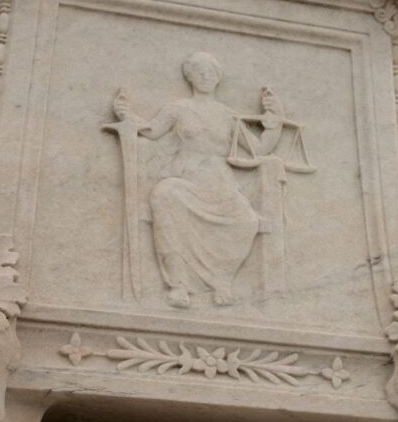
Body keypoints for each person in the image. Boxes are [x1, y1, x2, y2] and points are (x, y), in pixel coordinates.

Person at [112, 52, 282, 308]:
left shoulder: (228, 115)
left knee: (246, 220)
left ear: (218, 78)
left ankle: (222, 280)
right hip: (186, 177)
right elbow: (151, 131)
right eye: (200, 71)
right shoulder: (177, 109)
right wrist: (126, 115)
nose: (205, 76)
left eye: (211, 72)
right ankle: (178, 285)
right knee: (164, 195)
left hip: (220, 184)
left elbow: (258, 149)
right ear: (189, 76)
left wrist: (274, 122)